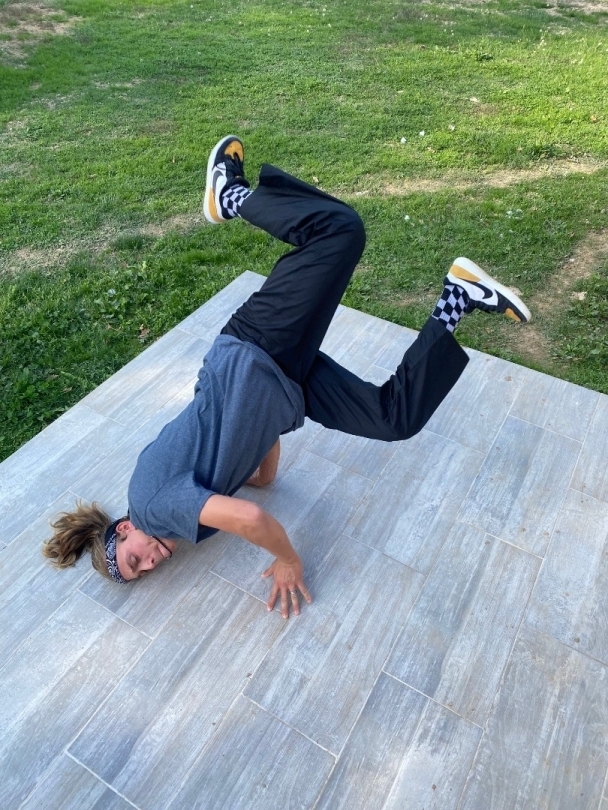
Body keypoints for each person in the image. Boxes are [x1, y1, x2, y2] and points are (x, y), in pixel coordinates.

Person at [43, 135, 531, 618]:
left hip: (254, 351)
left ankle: (229, 194)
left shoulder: (151, 507)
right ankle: (458, 297)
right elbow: (248, 465)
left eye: (135, 559)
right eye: (144, 572)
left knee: (340, 232)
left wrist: (287, 559)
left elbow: (250, 518)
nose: (151, 563)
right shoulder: (177, 518)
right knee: (393, 418)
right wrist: (259, 469)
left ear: (125, 529)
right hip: (283, 383)